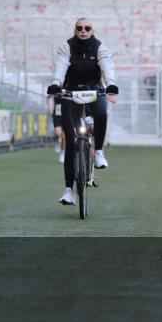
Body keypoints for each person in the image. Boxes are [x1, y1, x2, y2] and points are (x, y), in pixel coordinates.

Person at [48, 17, 118, 206]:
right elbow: (61, 66)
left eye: (87, 28)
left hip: (95, 89)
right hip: (72, 92)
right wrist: (56, 83)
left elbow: (107, 66)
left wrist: (110, 83)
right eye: (79, 28)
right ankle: (69, 190)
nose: (83, 31)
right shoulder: (67, 46)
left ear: (92, 30)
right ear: (75, 30)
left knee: (102, 113)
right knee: (70, 141)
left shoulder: (100, 47)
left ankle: (99, 153)